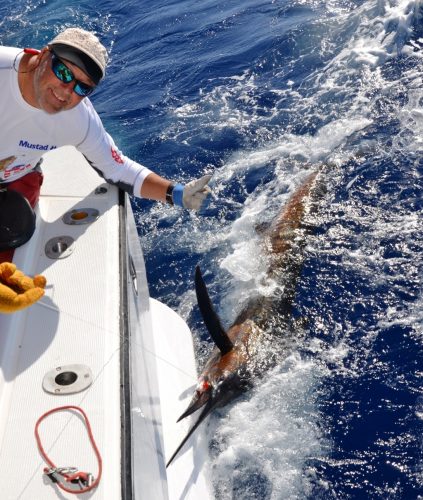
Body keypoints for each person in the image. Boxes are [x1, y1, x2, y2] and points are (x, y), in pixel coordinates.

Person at [0, 27, 212, 264]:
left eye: (83, 87)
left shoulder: (79, 120)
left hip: (13, 178)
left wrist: (176, 193)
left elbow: (117, 168)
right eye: (63, 72)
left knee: (13, 245)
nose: (67, 91)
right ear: (43, 55)